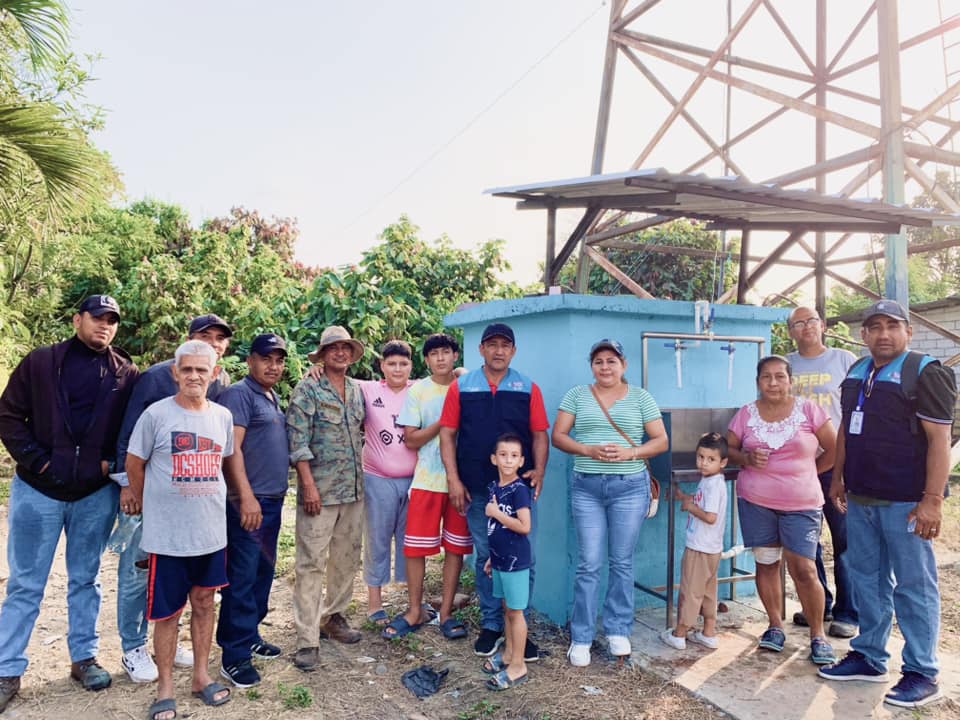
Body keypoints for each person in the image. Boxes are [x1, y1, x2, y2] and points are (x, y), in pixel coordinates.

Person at [0, 295, 138, 712]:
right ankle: (7, 669)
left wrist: (109, 466)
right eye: (98, 318)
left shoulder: (125, 373)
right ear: (77, 320)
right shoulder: (41, 362)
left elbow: (132, 429)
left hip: (94, 494)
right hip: (37, 491)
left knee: (86, 578)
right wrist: (39, 462)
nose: (105, 325)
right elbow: (8, 416)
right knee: (26, 584)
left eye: (112, 320)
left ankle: (84, 658)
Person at [819, 299, 957, 709]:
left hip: (907, 503)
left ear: (908, 332)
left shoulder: (925, 372)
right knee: (868, 580)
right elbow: (847, 428)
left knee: (914, 586)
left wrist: (932, 500)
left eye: (892, 326)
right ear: (863, 334)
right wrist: (839, 477)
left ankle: (922, 672)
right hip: (861, 498)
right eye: (875, 327)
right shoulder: (857, 371)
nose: (883, 334)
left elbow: (940, 440)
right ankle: (869, 656)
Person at [112, 312, 233, 683]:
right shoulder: (156, 379)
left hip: (199, 513)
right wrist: (132, 489)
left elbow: (218, 449)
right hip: (152, 500)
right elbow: (131, 437)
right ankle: (134, 646)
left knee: (194, 592)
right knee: (139, 571)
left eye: (219, 338)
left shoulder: (221, 384)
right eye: (204, 335)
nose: (212, 343)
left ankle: (181, 652)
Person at [552, 338, 668, 666]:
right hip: (587, 487)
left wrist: (632, 452)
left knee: (621, 561)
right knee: (589, 563)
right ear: (592, 366)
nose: (605, 367)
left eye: (611, 361)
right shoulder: (577, 395)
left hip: (629, 488)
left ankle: (618, 629)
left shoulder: (641, 397)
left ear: (623, 365)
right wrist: (587, 450)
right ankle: (582, 636)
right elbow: (558, 436)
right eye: (599, 361)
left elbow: (661, 440)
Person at [439, 322, 549, 659]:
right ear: (481, 349)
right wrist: (454, 479)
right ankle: (492, 625)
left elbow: (540, 435)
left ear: (513, 351)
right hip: (477, 489)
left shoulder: (527, 388)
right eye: (492, 344)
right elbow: (447, 434)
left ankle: (519, 627)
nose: (498, 351)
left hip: (518, 491)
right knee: (486, 556)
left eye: (505, 345)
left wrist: (540, 470)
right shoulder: (462, 387)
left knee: (523, 559)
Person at [727, 355, 838, 666]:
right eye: (766, 377)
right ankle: (775, 626)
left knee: (804, 568)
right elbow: (728, 448)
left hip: (802, 504)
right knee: (766, 564)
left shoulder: (808, 410)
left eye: (780, 376)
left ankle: (818, 635)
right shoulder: (746, 414)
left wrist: (810, 472)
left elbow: (834, 448)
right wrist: (746, 459)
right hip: (756, 502)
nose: (773, 383)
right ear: (758, 382)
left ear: (790, 380)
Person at [287, 325, 366, 671]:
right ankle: (307, 639)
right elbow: (297, 441)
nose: (340, 352)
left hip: (353, 490)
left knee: (346, 559)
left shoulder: (357, 389)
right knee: (310, 565)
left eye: (346, 347)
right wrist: (308, 486)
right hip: (319, 493)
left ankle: (333, 617)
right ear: (322, 355)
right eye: (333, 348)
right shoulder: (307, 389)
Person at [388, 333, 473, 641]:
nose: (440, 358)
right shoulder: (419, 391)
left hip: (462, 481)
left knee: (455, 548)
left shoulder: (467, 385)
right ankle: (414, 610)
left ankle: (446, 613)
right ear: (426, 360)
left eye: (445, 352)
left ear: (455, 356)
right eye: (433, 354)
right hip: (426, 480)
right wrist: (442, 422)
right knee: (415, 549)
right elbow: (411, 439)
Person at [216, 334, 289, 688]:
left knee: (262, 573)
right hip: (249, 502)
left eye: (279, 360)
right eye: (266, 359)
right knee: (242, 577)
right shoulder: (239, 395)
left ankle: (250, 635)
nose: (273, 366)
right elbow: (232, 450)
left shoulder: (271, 396)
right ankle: (234, 655)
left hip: (272, 501)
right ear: (250, 361)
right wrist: (245, 497)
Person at [786, 305, 859, 638]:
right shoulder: (786, 365)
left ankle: (848, 612)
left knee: (844, 540)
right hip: (798, 467)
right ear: (791, 331)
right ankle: (819, 604)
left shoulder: (844, 360)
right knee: (805, 541)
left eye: (811, 321)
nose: (806, 327)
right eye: (798, 323)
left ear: (823, 325)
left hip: (837, 465)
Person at [357, 340, 418, 624]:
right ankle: (374, 602)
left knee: (410, 541)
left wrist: (459, 372)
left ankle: (412, 602)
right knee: (377, 539)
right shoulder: (369, 389)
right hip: (377, 479)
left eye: (403, 364)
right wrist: (315, 371)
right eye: (391, 363)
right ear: (382, 366)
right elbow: (337, 378)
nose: (397, 369)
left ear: (411, 366)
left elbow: (455, 376)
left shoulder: (419, 389)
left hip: (414, 481)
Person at [661, 432, 729, 651]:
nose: (704, 463)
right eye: (700, 457)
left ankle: (679, 634)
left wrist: (690, 507)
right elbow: (701, 502)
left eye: (711, 459)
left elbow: (710, 517)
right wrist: (682, 496)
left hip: (699, 547)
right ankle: (708, 633)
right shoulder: (712, 481)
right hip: (712, 549)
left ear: (723, 463)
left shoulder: (713, 485)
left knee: (690, 591)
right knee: (708, 591)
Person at [481, 434, 533, 691]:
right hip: (500, 560)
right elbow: (495, 529)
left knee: (516, 611)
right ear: (494, 459)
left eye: (514, 456)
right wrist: (492, 557)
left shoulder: (519, 490)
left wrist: (496, 513)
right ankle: (509, 654)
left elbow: (524, 526)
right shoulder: (495, 487)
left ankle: (519, 665)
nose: (508, 460)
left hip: (516, 561)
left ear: (521, 461)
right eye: (503, 455)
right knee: (507, 608)